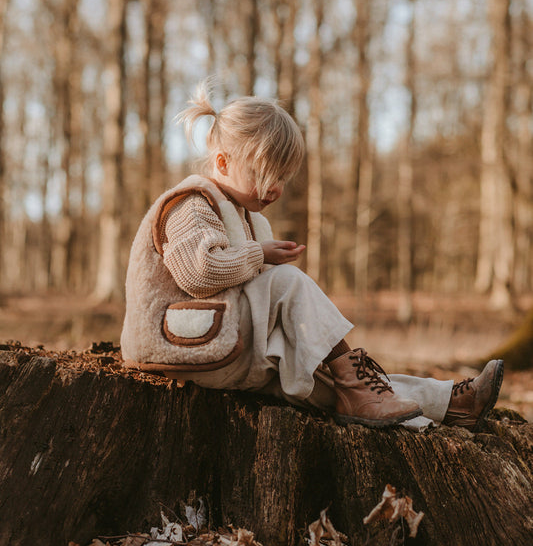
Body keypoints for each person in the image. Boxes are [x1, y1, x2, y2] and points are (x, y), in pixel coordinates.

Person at [121, 82, 503, 431]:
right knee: (288, 282)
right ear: (222, 163)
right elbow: (199, 273)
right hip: (184, 349)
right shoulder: (192, 204)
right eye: (265, 174)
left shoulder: (244, 215)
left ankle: (449, 404)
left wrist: (260, 256)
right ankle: (364, 389)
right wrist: (261, 255)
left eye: (284, 178)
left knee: (331, 384)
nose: (275, 189)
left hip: (225, 347)